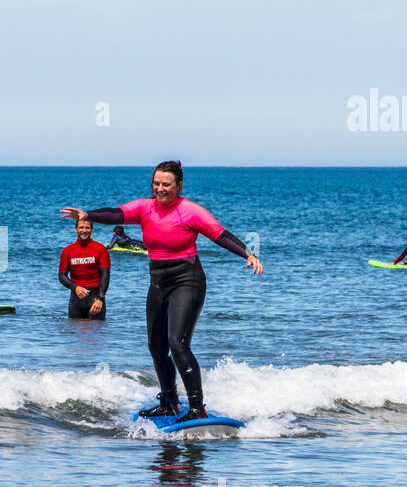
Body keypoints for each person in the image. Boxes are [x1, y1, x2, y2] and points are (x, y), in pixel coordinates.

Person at [60, 160, 262, 423]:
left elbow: (220, 235)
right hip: (158, 283)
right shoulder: (144, 209)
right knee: (156, 346)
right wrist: (88, 214)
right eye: (156, 183)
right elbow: (116, 214)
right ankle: (168, 403)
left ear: (178, 186)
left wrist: (247, 254)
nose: (160, 188)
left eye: (166, 184)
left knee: (177, 343)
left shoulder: (191, 211)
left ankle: (197, 407)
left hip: (187, 281)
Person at [58, 218, 110, 319]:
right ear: (76, 229)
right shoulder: (68, 251)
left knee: (96, 332)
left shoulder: (100, 249)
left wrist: (100, 299)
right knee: (75, 332)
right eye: (81, 227)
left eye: (87, 228)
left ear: (92, 229)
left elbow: (105, 275)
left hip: (95, 298)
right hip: (75, 300)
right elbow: (62, 276)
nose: (84, 230)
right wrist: (75, 287)